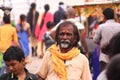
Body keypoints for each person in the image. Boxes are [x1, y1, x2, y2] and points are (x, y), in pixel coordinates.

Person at [93, 8, 120, 72]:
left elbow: (95, 40)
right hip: (117, 57)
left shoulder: (101, 27)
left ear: (104, 17)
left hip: (104, 57)